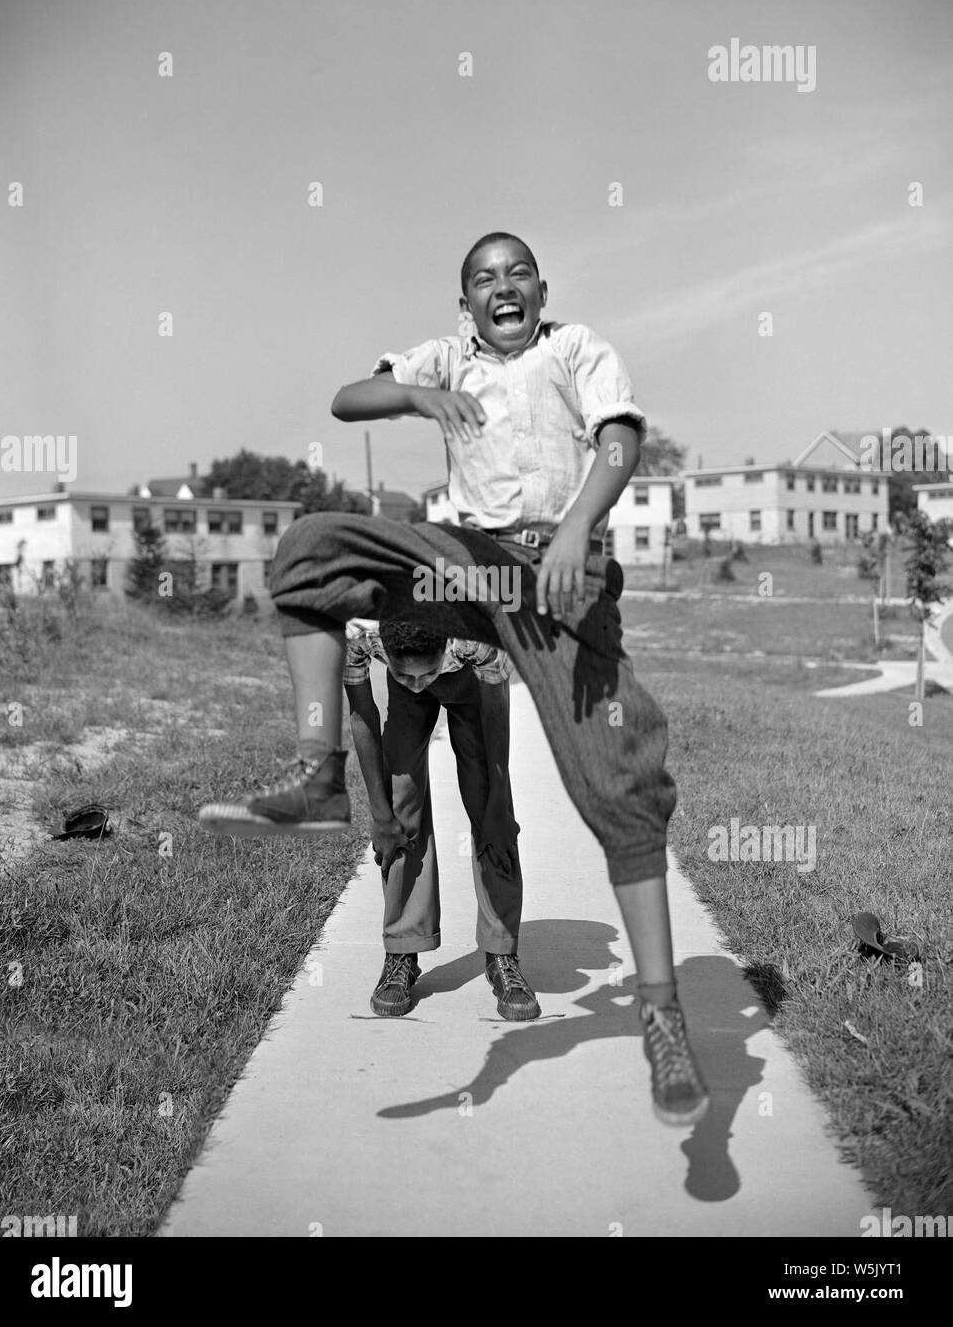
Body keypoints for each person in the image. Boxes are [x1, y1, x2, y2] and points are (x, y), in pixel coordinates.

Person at [198, 231, 709, 1127]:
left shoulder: (575, 348)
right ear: (464, 302)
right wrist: (418, 392)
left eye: (517, 274)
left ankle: (662, 1014)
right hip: (464, 562)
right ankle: (319, 780)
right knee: (314, 549)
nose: (502, 287)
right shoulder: (447, 358)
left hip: (556, 568)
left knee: (618, 779)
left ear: (542, 288)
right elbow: (348, 399)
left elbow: (620, 440)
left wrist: (578, 528)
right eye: (483, 279)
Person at [342, 616, 539, 1021]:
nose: (418, 683)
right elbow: (362, 713)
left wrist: (499, 806)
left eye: (426, 674)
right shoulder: (360, 631)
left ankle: (502, 953)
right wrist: (381, 817)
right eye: (404, 674)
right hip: (412, 673)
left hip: (472, 687)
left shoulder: (478, 636)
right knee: (400, 809)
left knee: (491, 812)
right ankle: (402, 951)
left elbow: (496, 716)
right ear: (385, 650)